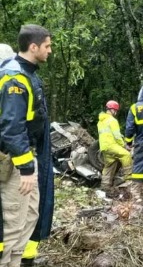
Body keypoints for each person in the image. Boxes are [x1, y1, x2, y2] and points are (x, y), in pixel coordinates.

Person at [0, 25, 53, 267]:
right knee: (13, 221)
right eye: (47, 46)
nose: (50, 51)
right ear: (33, 47)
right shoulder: (15, 78)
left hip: (27, 156)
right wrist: (26, 168)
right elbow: (12, 128)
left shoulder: (28, 73)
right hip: (14, 161)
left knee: (30, 214)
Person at [97, 100, 132, 189]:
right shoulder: (112, 120)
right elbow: (116, 136)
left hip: (104, 147)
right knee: (126, 155)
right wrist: (124, 145)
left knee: (109, 165)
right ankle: (129, 179)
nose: (116, 112)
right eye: (116, 110)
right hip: (111, 145)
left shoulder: (100, 121)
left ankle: (104, 187)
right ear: (112, 110)